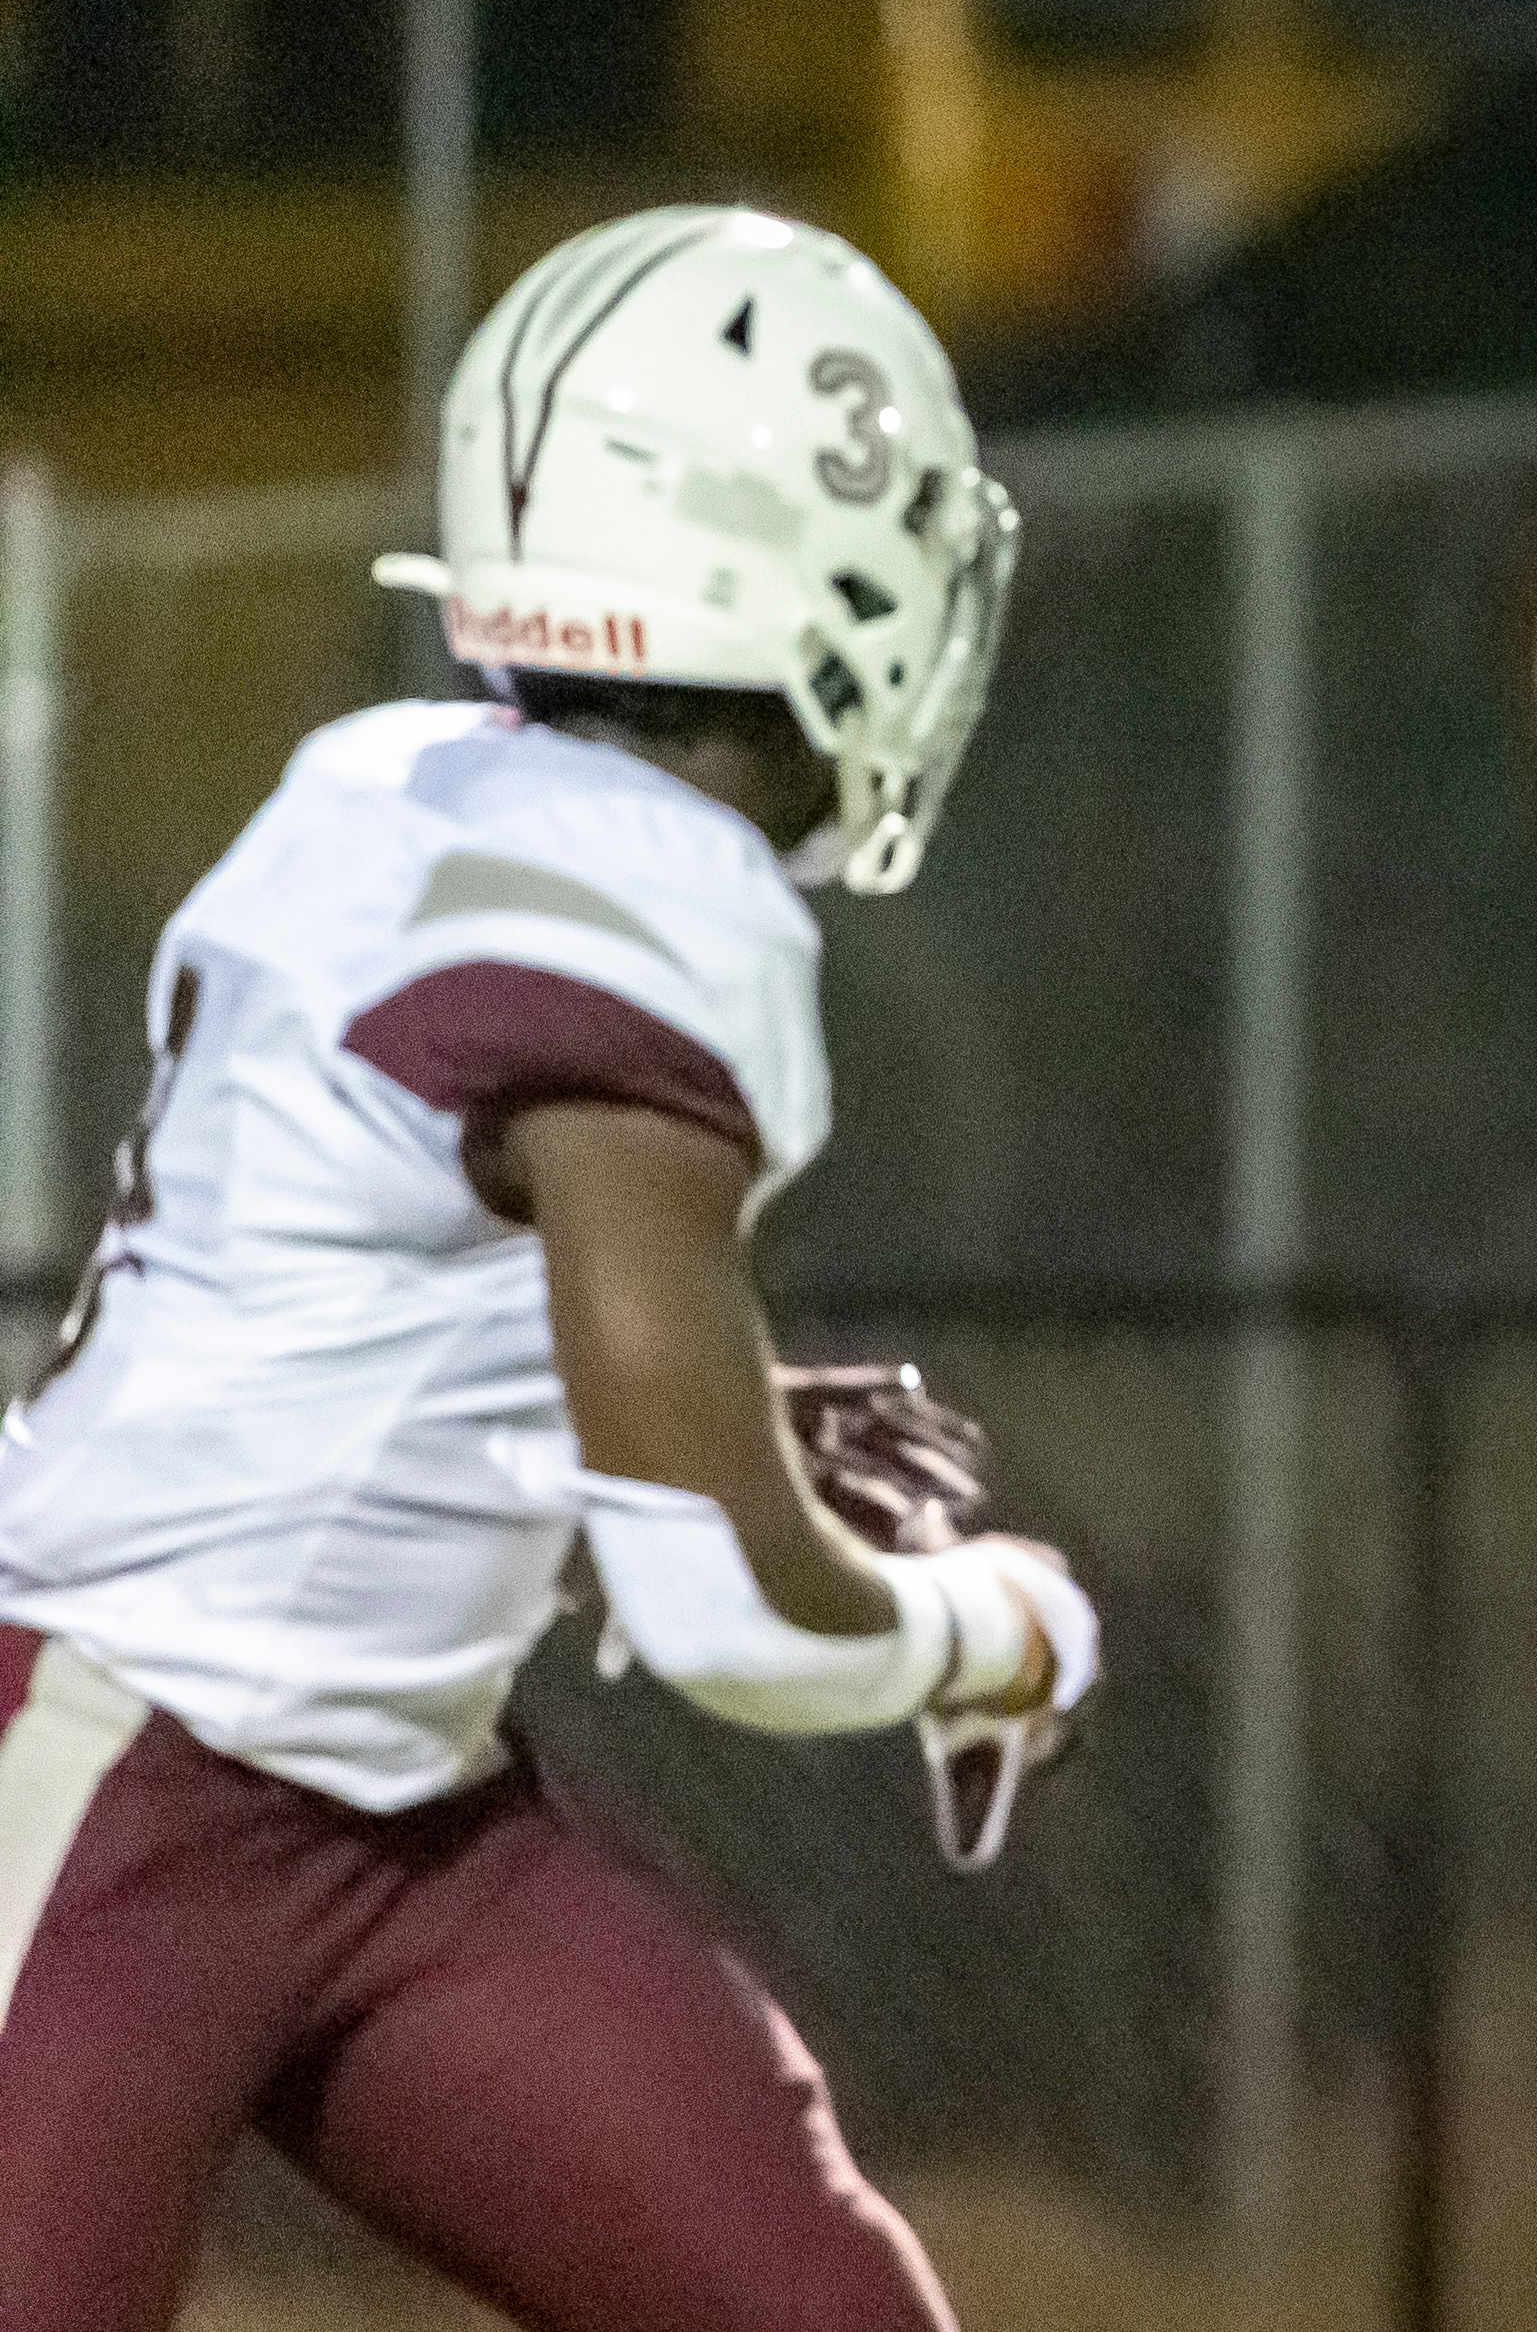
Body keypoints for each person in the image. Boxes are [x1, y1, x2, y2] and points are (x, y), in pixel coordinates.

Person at [0, 207, 1091, 2332]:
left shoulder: (391, 780)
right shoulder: (652, 908)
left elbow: (353, 1289)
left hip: (397, 1819)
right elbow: (724, 1611)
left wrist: (698, 1413)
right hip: (107, 1774)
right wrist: (999, 1631)